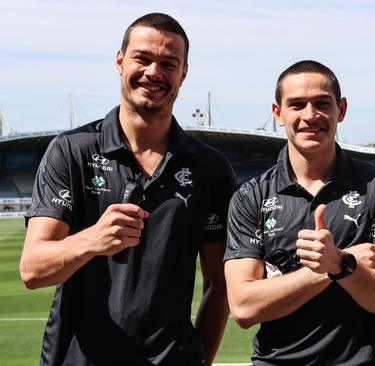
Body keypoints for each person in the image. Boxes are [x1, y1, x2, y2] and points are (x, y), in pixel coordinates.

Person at [19, 13, 235, 365]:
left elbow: (219, 283)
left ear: (184, 73)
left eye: (169, 63)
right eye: (142, 58)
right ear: (120, 61)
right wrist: (92, 239)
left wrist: (200, 360)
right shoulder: (73, 150)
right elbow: (32, 270)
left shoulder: (210, 167)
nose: (154, 72)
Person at [223, 60, 375, 365]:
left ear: (342, 109)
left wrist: (337, 262)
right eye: (296, 105)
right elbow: (243, 308)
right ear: (277, 113)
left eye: (322, 103)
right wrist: (335, 267)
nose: (310, 116)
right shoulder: (251, 195)